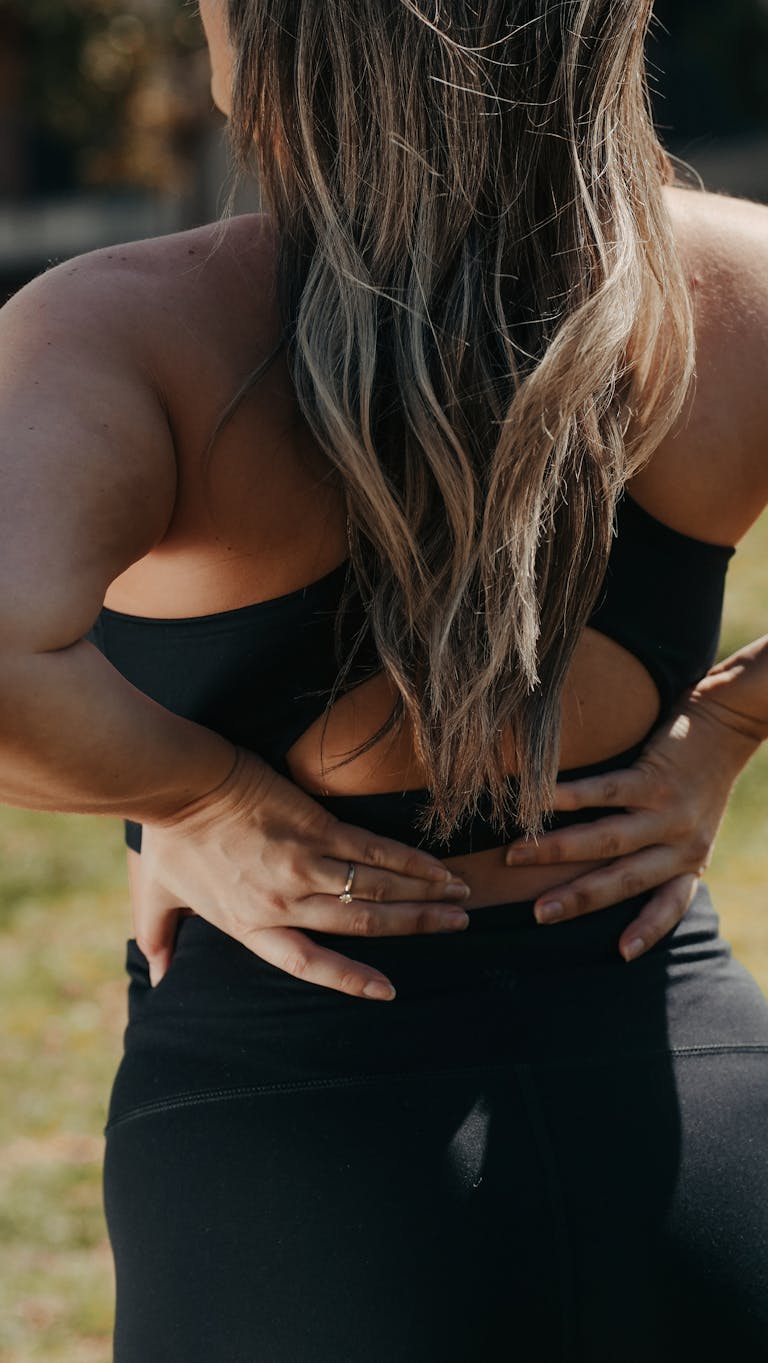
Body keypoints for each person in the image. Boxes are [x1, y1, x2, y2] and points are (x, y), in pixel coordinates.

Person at [1, 1, 767, 1358]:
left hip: (296, 1172)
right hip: (696, 1134)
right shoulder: (740, 289)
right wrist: (723, 725)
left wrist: (200, 795)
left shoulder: (129, 335)